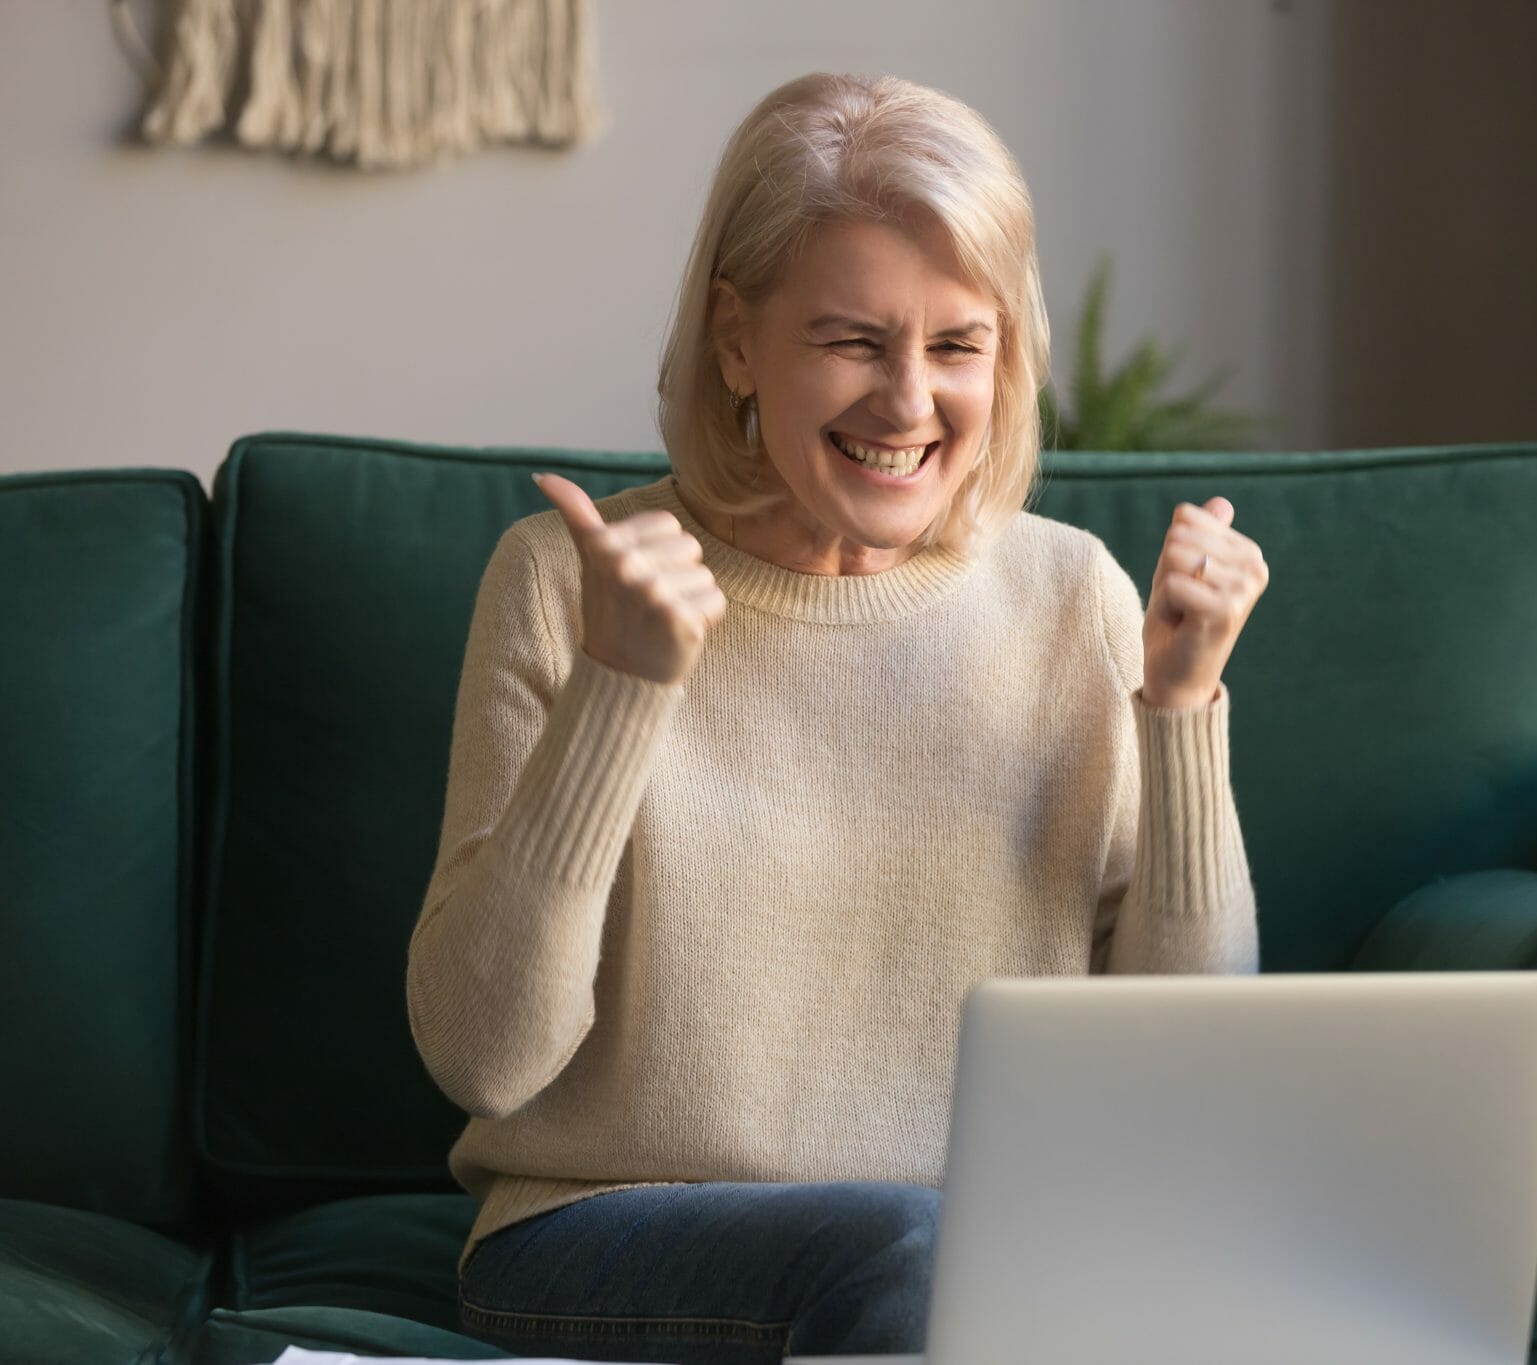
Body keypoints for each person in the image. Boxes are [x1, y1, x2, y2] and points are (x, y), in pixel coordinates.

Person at [406, 70, 1267, 1364]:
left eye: (958, 345)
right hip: (605, 1230)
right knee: (916, 1255)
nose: (909, 401)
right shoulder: (562, 581)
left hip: (986, 1251)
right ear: (738, 341)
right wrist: (620, 689)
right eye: (854, 341)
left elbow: (1189, 1068)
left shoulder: (1071, 594)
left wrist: (1183, 703)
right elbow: (485, 1056)